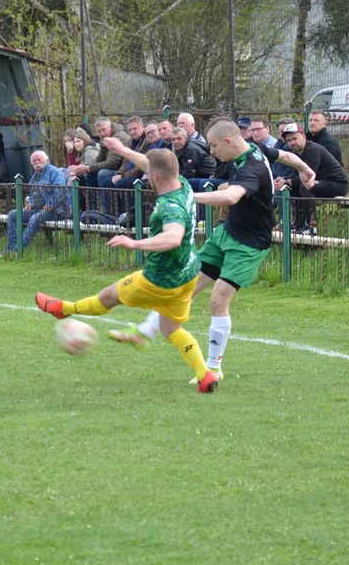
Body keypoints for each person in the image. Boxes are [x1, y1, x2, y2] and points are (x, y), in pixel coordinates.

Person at [121, 120, 317, 384]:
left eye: (213, 146)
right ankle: (146, 330)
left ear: (227, 141)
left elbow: (229, 197)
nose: (211, 152)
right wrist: (305, 170)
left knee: (218, 299)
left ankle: (213, 368)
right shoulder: (253, 149)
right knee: (185, 283)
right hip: (227, 232)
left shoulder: (252, 167)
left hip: (249, 244)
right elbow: (287, 155)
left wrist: (185, 196)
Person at [35, 140, 220, 394]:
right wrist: (122, 150)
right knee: (171, 329)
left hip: (159, 279)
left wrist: (135, 243)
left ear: (154, 177)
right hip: (187, 274)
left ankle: (64, 309)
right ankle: (204, 374)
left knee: (109, 296)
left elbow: (173, 237)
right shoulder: (183, 185)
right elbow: (151, 164)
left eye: (148, 175)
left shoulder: (170, 206)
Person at [6, 150, 69, 253]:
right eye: (34, 161)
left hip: (56, 211)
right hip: (37, 209)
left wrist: (50, 204)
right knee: (13, 214)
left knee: (35, 219)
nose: (37, 162)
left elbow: (60, 191)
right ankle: (11, 248)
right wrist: (30, 202)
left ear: (46, 160)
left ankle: (20, 248)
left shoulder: (54, 172)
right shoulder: (35, 175)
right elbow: (31, 193)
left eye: (39, 160)